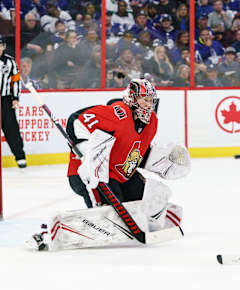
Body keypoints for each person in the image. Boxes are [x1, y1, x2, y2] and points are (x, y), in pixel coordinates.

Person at [30, 79, 190, 251]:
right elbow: (76, 120)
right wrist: (86, 152)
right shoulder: (118, 114)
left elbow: (135, 153)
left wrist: (158, 159)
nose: (149, 104)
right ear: (132, 98)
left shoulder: (152, 123)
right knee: (110, 217)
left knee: (154, 195)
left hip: (121, 176)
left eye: (151, 100)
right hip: (90, 174)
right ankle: (49, 232)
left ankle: (148, 221)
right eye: (144, 99)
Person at [0, 35, 26, 168]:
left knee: (11, 129)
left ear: (4, 47)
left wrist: (15, 98)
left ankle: (20, 156)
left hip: (5, 100)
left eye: (0, 45)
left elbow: (15, 81)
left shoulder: (10, 62)